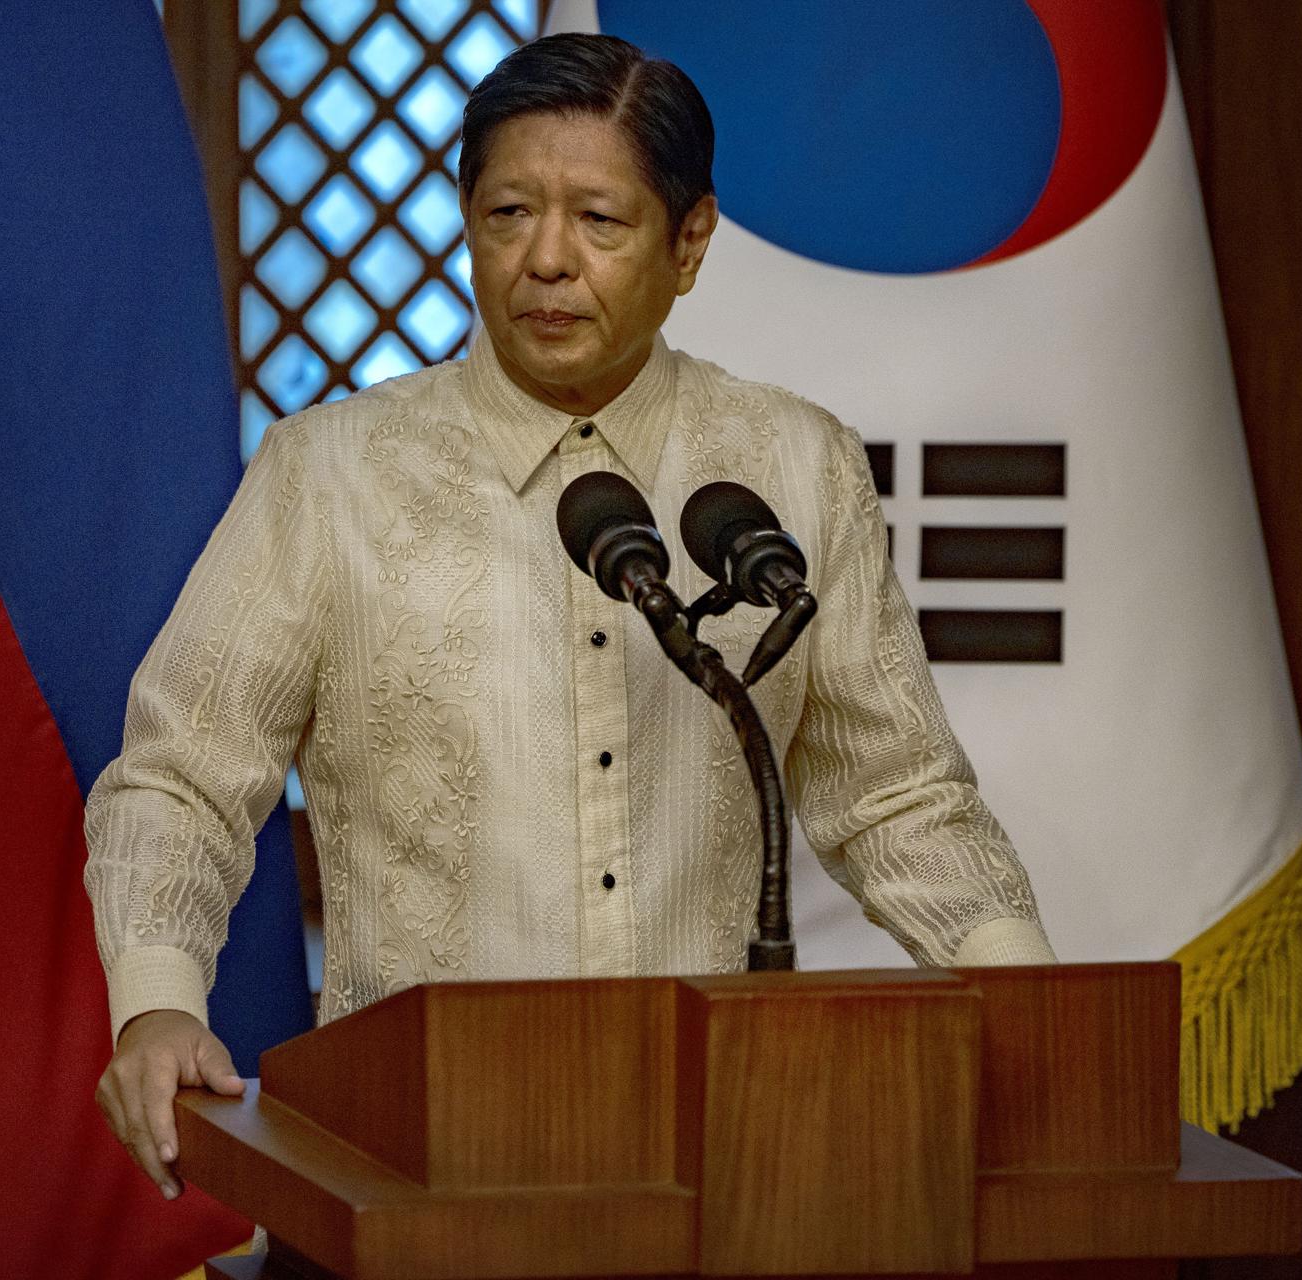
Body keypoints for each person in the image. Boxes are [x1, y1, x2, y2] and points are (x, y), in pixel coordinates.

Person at [86, 32, 1056, 1200]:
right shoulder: (329, 474)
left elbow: (894, 787)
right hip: (413, 1164)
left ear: (689, 242)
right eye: (507, 214)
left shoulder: (794, 467)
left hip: (720, 1165)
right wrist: (155, 1001)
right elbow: (180, 773)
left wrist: (1028, 999)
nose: (545, 261)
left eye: (599, 221)